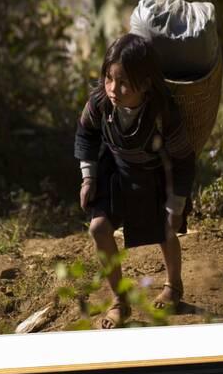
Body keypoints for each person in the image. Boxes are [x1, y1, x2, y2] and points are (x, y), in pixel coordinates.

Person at [74, 33, 195, 329]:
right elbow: (85, 134)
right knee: (98, 228)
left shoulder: (164, 113)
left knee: (167, 230)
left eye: (124, 82)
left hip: (155, 176)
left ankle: (174, 286)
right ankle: (120, 299)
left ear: (146, 83)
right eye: (109, 78)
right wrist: (88, 178)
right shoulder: (100, 102)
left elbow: (183, 159)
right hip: (115, 173)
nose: (114, 89)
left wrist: (176, 205)